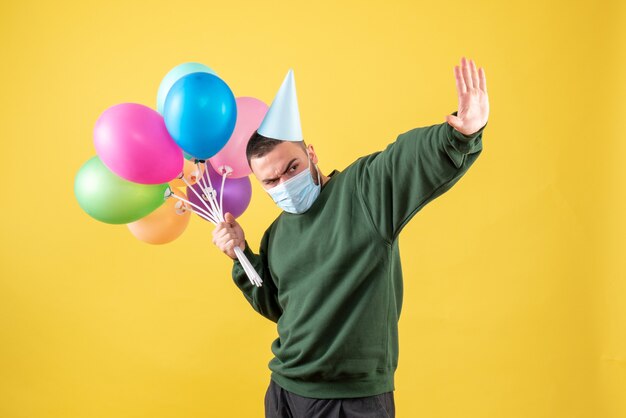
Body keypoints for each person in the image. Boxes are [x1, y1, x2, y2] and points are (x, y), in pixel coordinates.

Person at [212, 56, 490, 418]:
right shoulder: (277, 233)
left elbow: (404, 161)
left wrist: (459, 135)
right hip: (284, 390)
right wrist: (242, 257)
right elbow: (279, 307)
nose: (284, 184)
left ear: (310, 154)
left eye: (292, 167)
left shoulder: (362, 192)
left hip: (351, 400)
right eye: (271, 181)